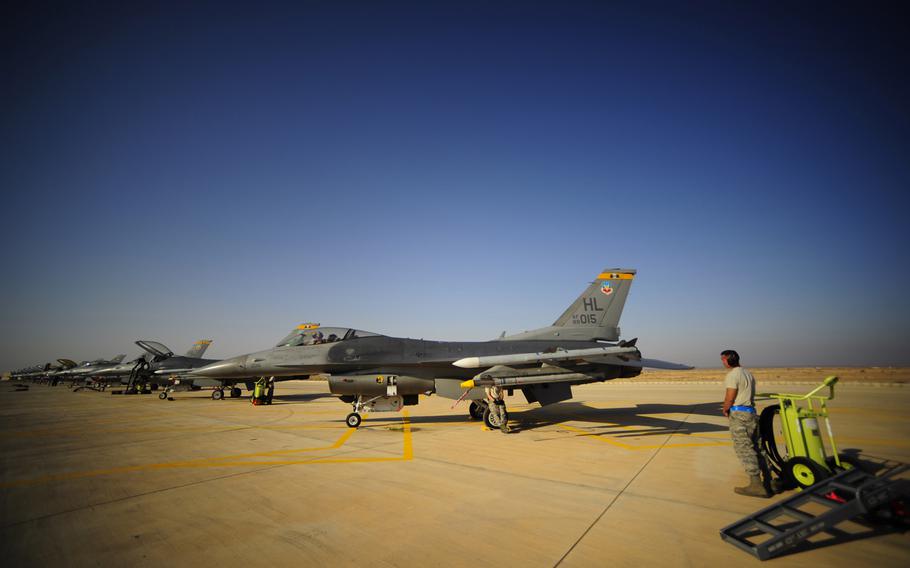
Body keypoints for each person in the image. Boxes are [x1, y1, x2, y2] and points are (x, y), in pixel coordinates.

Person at [722, 349, 771, 497]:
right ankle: (769, 480)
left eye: (723, 360)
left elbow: (730, 396)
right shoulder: (747, 373)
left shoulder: (733, 375)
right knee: (758, 447)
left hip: (739, 415)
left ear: (728, 360)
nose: (723, 362)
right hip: (751, 413)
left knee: (744, 448)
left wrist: (726, 408)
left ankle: (756, 484)